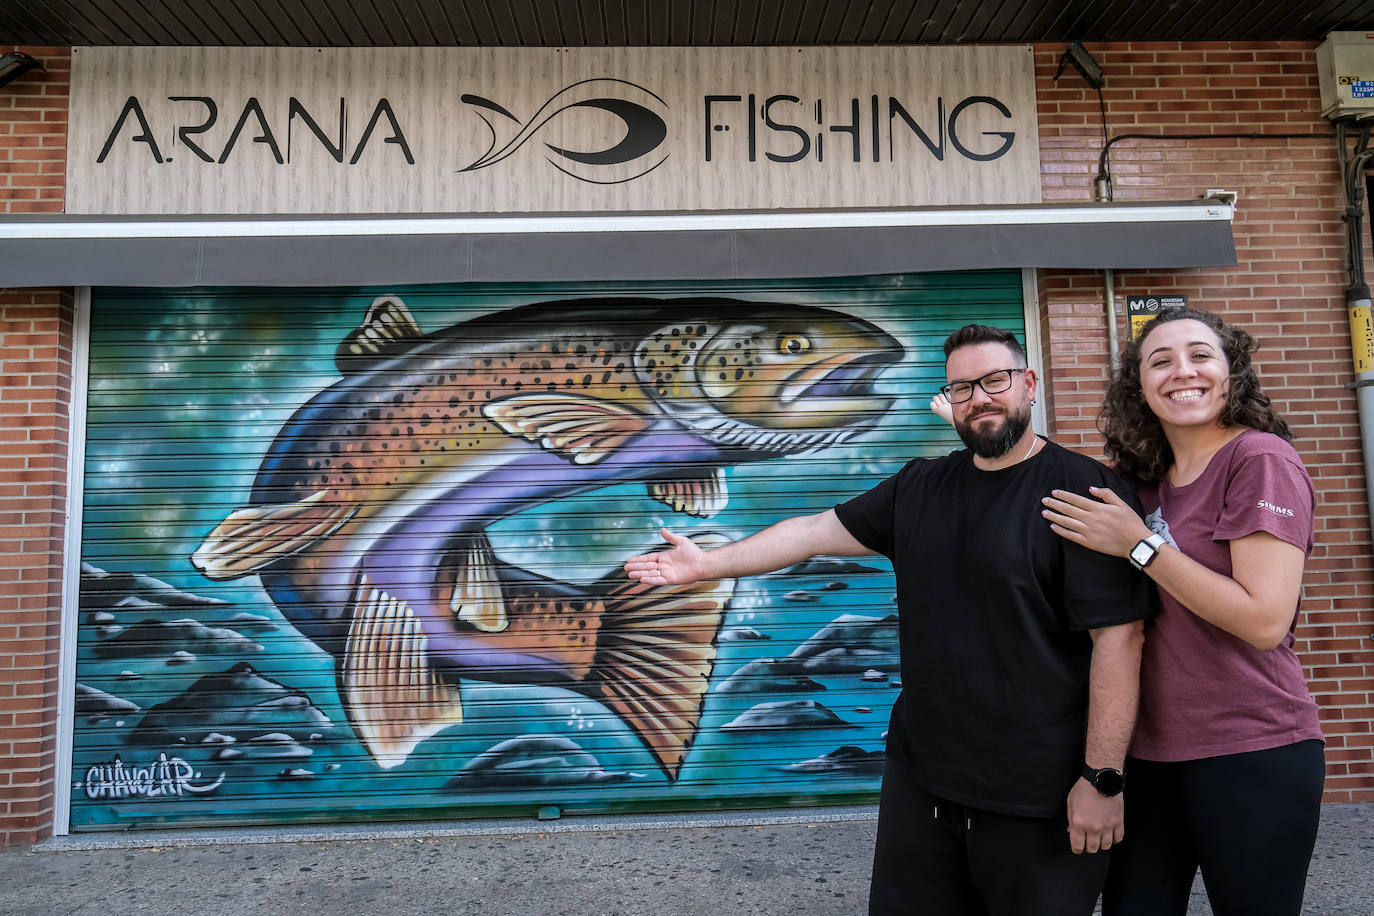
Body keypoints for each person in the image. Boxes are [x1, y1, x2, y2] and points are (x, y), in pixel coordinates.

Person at [626, 324, 1154, 916]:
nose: (979, 398)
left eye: (994, 381)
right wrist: (708, 564)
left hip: (1037, 795)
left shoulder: (1081, 491)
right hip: (923, 782)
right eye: (961, 388)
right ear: (948, 399)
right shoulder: (918, 487)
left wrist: (1103, 779)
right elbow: (809, 532)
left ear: (1029, 384)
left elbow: (1120, 639)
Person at [1040, 307, 1324, 916]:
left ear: (1232, 373)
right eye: (1160, 361)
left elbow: (1264, 619)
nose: (1181, 372)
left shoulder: (1259, 459)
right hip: (1149, 759)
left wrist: (1141, 545)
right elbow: (1053, 486)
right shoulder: (1144, 482)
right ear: (1138, 386)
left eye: (1200, 355)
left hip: (1252, 748)